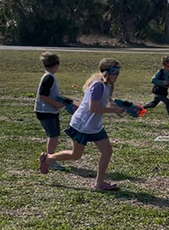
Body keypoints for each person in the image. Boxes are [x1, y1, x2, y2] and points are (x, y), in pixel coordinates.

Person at [40, 58, 129, 191]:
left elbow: (104, 103)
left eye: (118, 72)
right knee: (75, 155)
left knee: (107, 151)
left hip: (94, 126)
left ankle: (98, 184)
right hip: (82, 125)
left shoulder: (106, 85)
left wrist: (120, 107)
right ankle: (48, 158)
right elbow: (93, 108)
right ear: (106, 72)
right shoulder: (98, 85)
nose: (116, 75)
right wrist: (114, 110)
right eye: (114, 72)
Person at [32, 52, 75, 168]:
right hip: (45, 111)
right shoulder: (49, 77)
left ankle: (50, 158)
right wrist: (56, 103)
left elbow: (50, 94)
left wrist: (63, 100)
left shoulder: (49, 77)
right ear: (56, 64)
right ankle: (49, 159)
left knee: (54, 135)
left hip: (50, 111)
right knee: (53, 136)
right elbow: (43, 95)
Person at [146, 56, 169, 125]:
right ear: (164, 64)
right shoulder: (160, 72)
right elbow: (153, 80)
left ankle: (139, 108)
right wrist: (162, 82)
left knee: (153, 104)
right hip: (158, 91)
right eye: (168, 65)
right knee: (168, 102)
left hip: (164, 91)